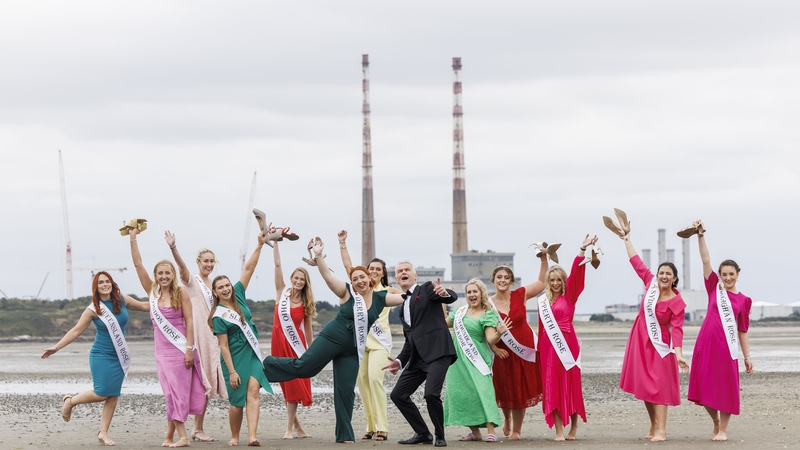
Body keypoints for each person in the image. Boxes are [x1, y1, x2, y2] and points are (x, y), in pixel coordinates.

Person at [262, 237, 405, 443]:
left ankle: (345, 435)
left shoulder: (381, 298)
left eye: (362, 277)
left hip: (352, 348)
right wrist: (319, 255)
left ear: (369, 278)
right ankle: (267, 366)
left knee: (345, 391)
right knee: (305, 368)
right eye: (355, 279)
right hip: (333, 337)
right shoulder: (347, 292)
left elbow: (407, 298)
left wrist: (419, 288)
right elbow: (327, 275)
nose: (359, 281)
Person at [42, 271, 149, 446]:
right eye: (101, 282)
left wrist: (168, 302)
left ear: (112, 283)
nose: (105, 284)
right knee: (101, 393)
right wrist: (57, 347)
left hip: (118, 356)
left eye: (107, 281)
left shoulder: (122, 300)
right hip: (101, 355)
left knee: (113, 395)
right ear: (96, 287)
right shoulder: (93, 309)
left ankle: (103, 433)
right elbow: (76, 330)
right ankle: (71, 401)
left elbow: (145, 306)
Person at [128, 226, 206, 448]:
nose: (163, 276)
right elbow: (137, 264)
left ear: (173, 275)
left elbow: (190, 321)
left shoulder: (181, 292)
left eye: (167, 273)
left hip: (181, 349)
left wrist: (190, 349)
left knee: (178, 393)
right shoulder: (152, 293)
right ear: (156, 276)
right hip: (162, 352)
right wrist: (133, 238)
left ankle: (179, 437)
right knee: (170, 393)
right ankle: (173, 436)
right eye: (160, 273)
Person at [615, 222, 689, 442]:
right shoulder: (650, 284)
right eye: (661, 272)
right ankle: (653, 423)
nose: (663, 276)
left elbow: (677, 330)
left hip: (660, 346)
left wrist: (679, 354)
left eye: (668, 274)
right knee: (645, 387)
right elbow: (636, 262)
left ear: (674, 278)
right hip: (639, 340)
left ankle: (662, 431)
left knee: (659, 387)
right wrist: (626, 239)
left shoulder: (677, 302)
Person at [685, 220, 753, 441]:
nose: (728, 278)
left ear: (738, 274)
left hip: (728, 348)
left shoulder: (744, 301)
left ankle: (723, 429)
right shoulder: (714, 287)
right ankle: (714, 421)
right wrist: (700, 235)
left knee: (726, 387)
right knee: (703, 386)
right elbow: (705, 260)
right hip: (706, 344)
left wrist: (747, 357)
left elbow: (742, 330)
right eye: (724, 274)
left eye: (731, 274)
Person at [208, 230, 273, 447]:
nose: (226, 289)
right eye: (221, 288)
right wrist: (233, 371)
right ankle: (235, 436)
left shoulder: (238, 294)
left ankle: (252, 436)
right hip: (233, 357)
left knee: (253, 391)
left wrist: (260, 245)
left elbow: (248, 269)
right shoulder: (218, 315)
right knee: (237, 402)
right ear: (215, 293)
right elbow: (223, 346)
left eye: (227, 285)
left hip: (251, 353)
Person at [384, 262, 458, 447]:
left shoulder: (427, 289)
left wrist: (445, 293)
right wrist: (400, 362)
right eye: (399, 271)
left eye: (406, 270)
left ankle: (440, 435)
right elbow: (410, 340)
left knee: (431, 394)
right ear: (396, 279)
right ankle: (423, 434)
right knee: (398, 395)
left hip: (438, 352)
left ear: (415, 276)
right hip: (418, 358)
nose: (403, 272)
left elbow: (448, 297)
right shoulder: (401, 308)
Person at [337, 230, 400, 442]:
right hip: (360, 343)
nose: (373, 271)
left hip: (380, 343)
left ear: (382, 273)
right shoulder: (358, 286)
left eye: (377, 269)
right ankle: (370, 426)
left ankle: (383, 427)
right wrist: (342, 243)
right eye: (370, 268)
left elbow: (408, 297)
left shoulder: (387, 289)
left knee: (375, 380)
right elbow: (348, 266)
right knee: (363, 383)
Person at [165, 232, 227, 442]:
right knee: (199, 382)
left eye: (211, 261)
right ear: (198, 262)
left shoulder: (215, 284)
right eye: (205, 261)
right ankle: (189, 428)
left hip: (213, 338)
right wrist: (174, 248)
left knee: (207, 382)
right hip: (196, 337)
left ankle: (197, 427)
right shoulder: (193, 282)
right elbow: (182, 269)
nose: (208, 264)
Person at [537, 235, 594, 441]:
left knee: (570, 384)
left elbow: (577, 276)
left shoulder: (569, 296)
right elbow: (542, 328)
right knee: (551, 384)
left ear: (563, 281)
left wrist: (581, 250)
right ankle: (559, 431)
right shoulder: (543, 302)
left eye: (558, 280)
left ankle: (573, 429)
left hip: (567, 345)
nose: (555, 283)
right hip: (547, 346)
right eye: (551, 280)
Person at [486, 254, 548, 441]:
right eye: (499, 277)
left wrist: (544, 260)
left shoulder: (520, 294)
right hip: (503, 351)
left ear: (511, 281)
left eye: (506, 277)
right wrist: (495, 349)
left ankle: (517, 430)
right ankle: (507, 418)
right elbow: (485, 329)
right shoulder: (487, 303)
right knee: (505, 387)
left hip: (523, 350)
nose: (503, 280)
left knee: (520, 388)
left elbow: (541, 282)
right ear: (494, 280)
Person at [443, 278, 509, 442]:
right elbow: (443, 324)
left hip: (477, 358)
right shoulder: (460, 312)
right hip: (457, 360)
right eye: (469, 292)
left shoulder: (487, 313)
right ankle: (475, 432)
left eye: (475, 291)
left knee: (483, 391)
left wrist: (499, 332)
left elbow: (490, 339)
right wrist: (442, 301)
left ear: (481, 294)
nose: (472, 295)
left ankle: (490, 430)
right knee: (462, 393)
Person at [270, 241, 315, 440]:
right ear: (291, 279)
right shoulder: (282, 292)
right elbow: (277, 266)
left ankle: (289, 429)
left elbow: (307, 328)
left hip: (296, 347)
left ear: (305, 283)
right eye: (296, 278)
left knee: (295, 385)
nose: (298, 282)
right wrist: (275, 245)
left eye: (302, 280)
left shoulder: (306, 302)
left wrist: (313, 352)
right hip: (278, 343)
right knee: (286, 386)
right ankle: (296, 427)